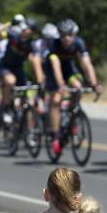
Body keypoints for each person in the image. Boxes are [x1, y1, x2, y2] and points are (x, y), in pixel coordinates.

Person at [44, 19, 102, 155]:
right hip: (54, 72)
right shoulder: (54, 44)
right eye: (63, 35)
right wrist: (60, 85)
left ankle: (71, 115)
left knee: (77, 87)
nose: (66, 38)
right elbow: (56, 65)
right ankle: (55, 135)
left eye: (69, 35)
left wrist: (94, 83)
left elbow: (86, 64)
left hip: (69, 70)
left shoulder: (79, 43)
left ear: (74, 35)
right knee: (56, 100)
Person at [0, 16, 39, 124]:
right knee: (10, 81)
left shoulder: (31, 44)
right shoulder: (13, 35)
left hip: (18, 69)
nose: (28, 32)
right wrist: (9, 23)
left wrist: (40, 79)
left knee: (27, 98)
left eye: (31, 30)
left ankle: (27, 130)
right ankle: (6, 108)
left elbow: (34, 61)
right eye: (27, 28)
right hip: (5, 67)